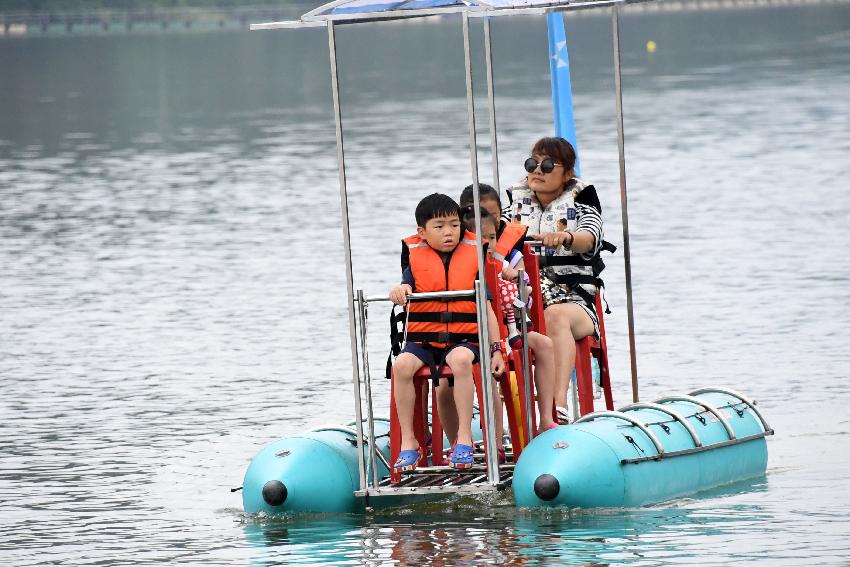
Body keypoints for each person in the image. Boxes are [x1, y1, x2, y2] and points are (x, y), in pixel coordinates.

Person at [389, 193, 505, 471]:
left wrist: (496, 348)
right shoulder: (415, 257)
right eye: (439, 227)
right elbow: (406, 286)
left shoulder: (473, 257)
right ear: (422, 232)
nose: (449, 232)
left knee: (461, 361)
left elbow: (486, 309)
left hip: (464, 340)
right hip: (424, 340)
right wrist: (400, 291)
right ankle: (409, 441)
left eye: (454, 225)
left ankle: (464, 437)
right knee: (401, 366)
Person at [509, 137, 607, 423]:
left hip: (575, 302)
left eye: (548, 165)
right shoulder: (512, 208)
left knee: (553, 317)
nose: (538, 170)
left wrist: (566, 237)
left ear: (567, 175)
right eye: (532, 164)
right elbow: (491, 239)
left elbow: (590, 237)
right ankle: (496, 426)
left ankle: (556, 406)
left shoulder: (583, 203)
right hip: (524, 302)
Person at [463, 210, 559, 434]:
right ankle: (495, 438)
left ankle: (545, 418)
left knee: (544, 344)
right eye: (481, 238)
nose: (489, 243)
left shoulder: (503, 265)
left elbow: (526, 296)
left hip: (510, 334)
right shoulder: (464, 268)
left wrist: (517, 279)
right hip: (475, 341)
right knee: (485, 376)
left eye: (493, 237)